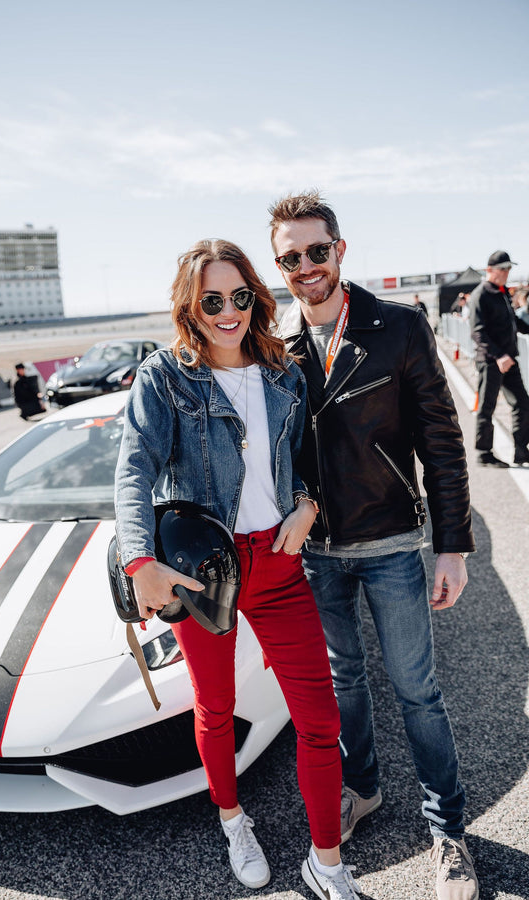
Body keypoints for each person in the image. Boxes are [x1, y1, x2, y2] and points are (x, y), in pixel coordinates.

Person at [114, 239, 360, 900]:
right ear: (190, 308)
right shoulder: (166, 375)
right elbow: (134, 467)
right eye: (212, 300)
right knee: (216, 707)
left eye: (240, 297)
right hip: (203, 571)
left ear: (256, 296)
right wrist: (140, 561)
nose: (228, 312)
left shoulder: (282, 371)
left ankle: (327, 865)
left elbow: (307, 458)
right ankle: (232, 819)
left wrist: (307, 503)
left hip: (277, 564)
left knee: (320, 719)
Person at [269, 191, 478, 900]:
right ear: (281, 266)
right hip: (317, 553)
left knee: (418, 692)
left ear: (340, 250)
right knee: (343, 686)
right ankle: (362, 790)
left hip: (391, 540)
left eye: (316, 251)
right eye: (291, 257)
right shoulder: (276, 345)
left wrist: (452, 545)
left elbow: (443, 444)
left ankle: (447, 828)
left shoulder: (399, 327)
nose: (307, 266)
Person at [468, 250, 529, 467]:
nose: (506, 272)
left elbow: (513, 322)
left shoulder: (502, 292)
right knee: (487, 407)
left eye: (508, 268)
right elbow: (477, 332)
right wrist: (499, 355)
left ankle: (522, 451)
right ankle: (484, 454)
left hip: (509, 360)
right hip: (491, 361)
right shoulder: (480, 294)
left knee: (522, 404)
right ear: (489, 270)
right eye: (502, 269)